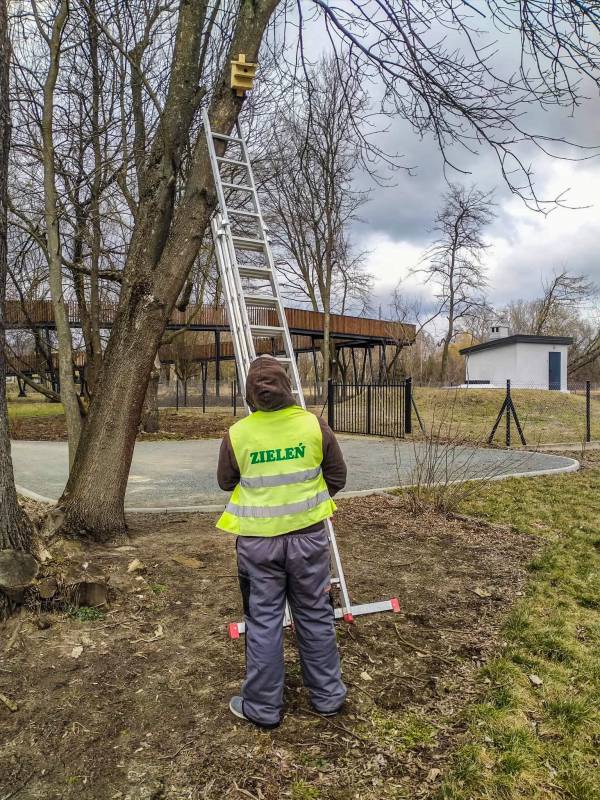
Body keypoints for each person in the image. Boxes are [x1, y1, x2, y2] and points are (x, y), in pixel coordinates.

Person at [216, 354, 348, 728]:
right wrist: (306, 505)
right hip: (308, 541)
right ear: (287, 387)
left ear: (249, 395)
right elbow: (337, 476)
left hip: (257, 547)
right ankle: (327, 698)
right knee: (315, 614)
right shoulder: (314, 425)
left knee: (263, 622)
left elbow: (226, 482)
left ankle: (262, 708)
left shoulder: (237, 434)